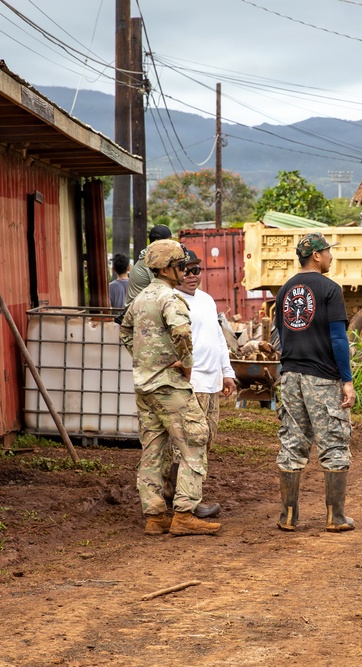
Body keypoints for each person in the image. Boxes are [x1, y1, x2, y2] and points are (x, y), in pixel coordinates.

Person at [119, 239, 221, 536]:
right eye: (180, 266)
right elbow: (181, 330)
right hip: (168, 387)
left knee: (153, 450)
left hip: (145, 387)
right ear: (165, 268)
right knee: (195, 439)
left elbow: (125, 330)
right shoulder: (170, 298)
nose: (184, 271)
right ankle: (185, 513)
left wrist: (144, 360)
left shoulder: (140, 299)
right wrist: (185, 363)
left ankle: (155, 516)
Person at [274, 232, 357, 533]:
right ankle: (335, 517)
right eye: (328, 252)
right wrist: (346, 381)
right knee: (333, 443)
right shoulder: (330, 289)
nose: (331, 257)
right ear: (317, 256)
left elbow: (280, 335)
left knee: (293, 444)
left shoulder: (285, 290)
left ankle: (288, 516)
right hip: (321, 378)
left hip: (290, 376)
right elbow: (338, 338)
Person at [165, 249, 237, 519]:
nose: (192, 275)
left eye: (196, 270)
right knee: (188, 443)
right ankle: (188, 501)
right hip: (188, 383)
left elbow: (218, 338)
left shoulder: (206, 300)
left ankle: (177, 492)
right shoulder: (172, 300)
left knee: (205, 441)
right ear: (174, 271)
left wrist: (226, 372)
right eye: (186, 269)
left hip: (211, 382)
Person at [125, 224, 173, 306]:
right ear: (157, 243)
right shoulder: (151, 261)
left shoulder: (150, 256)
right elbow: (164, 289)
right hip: (137, 312)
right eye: (168, 243)